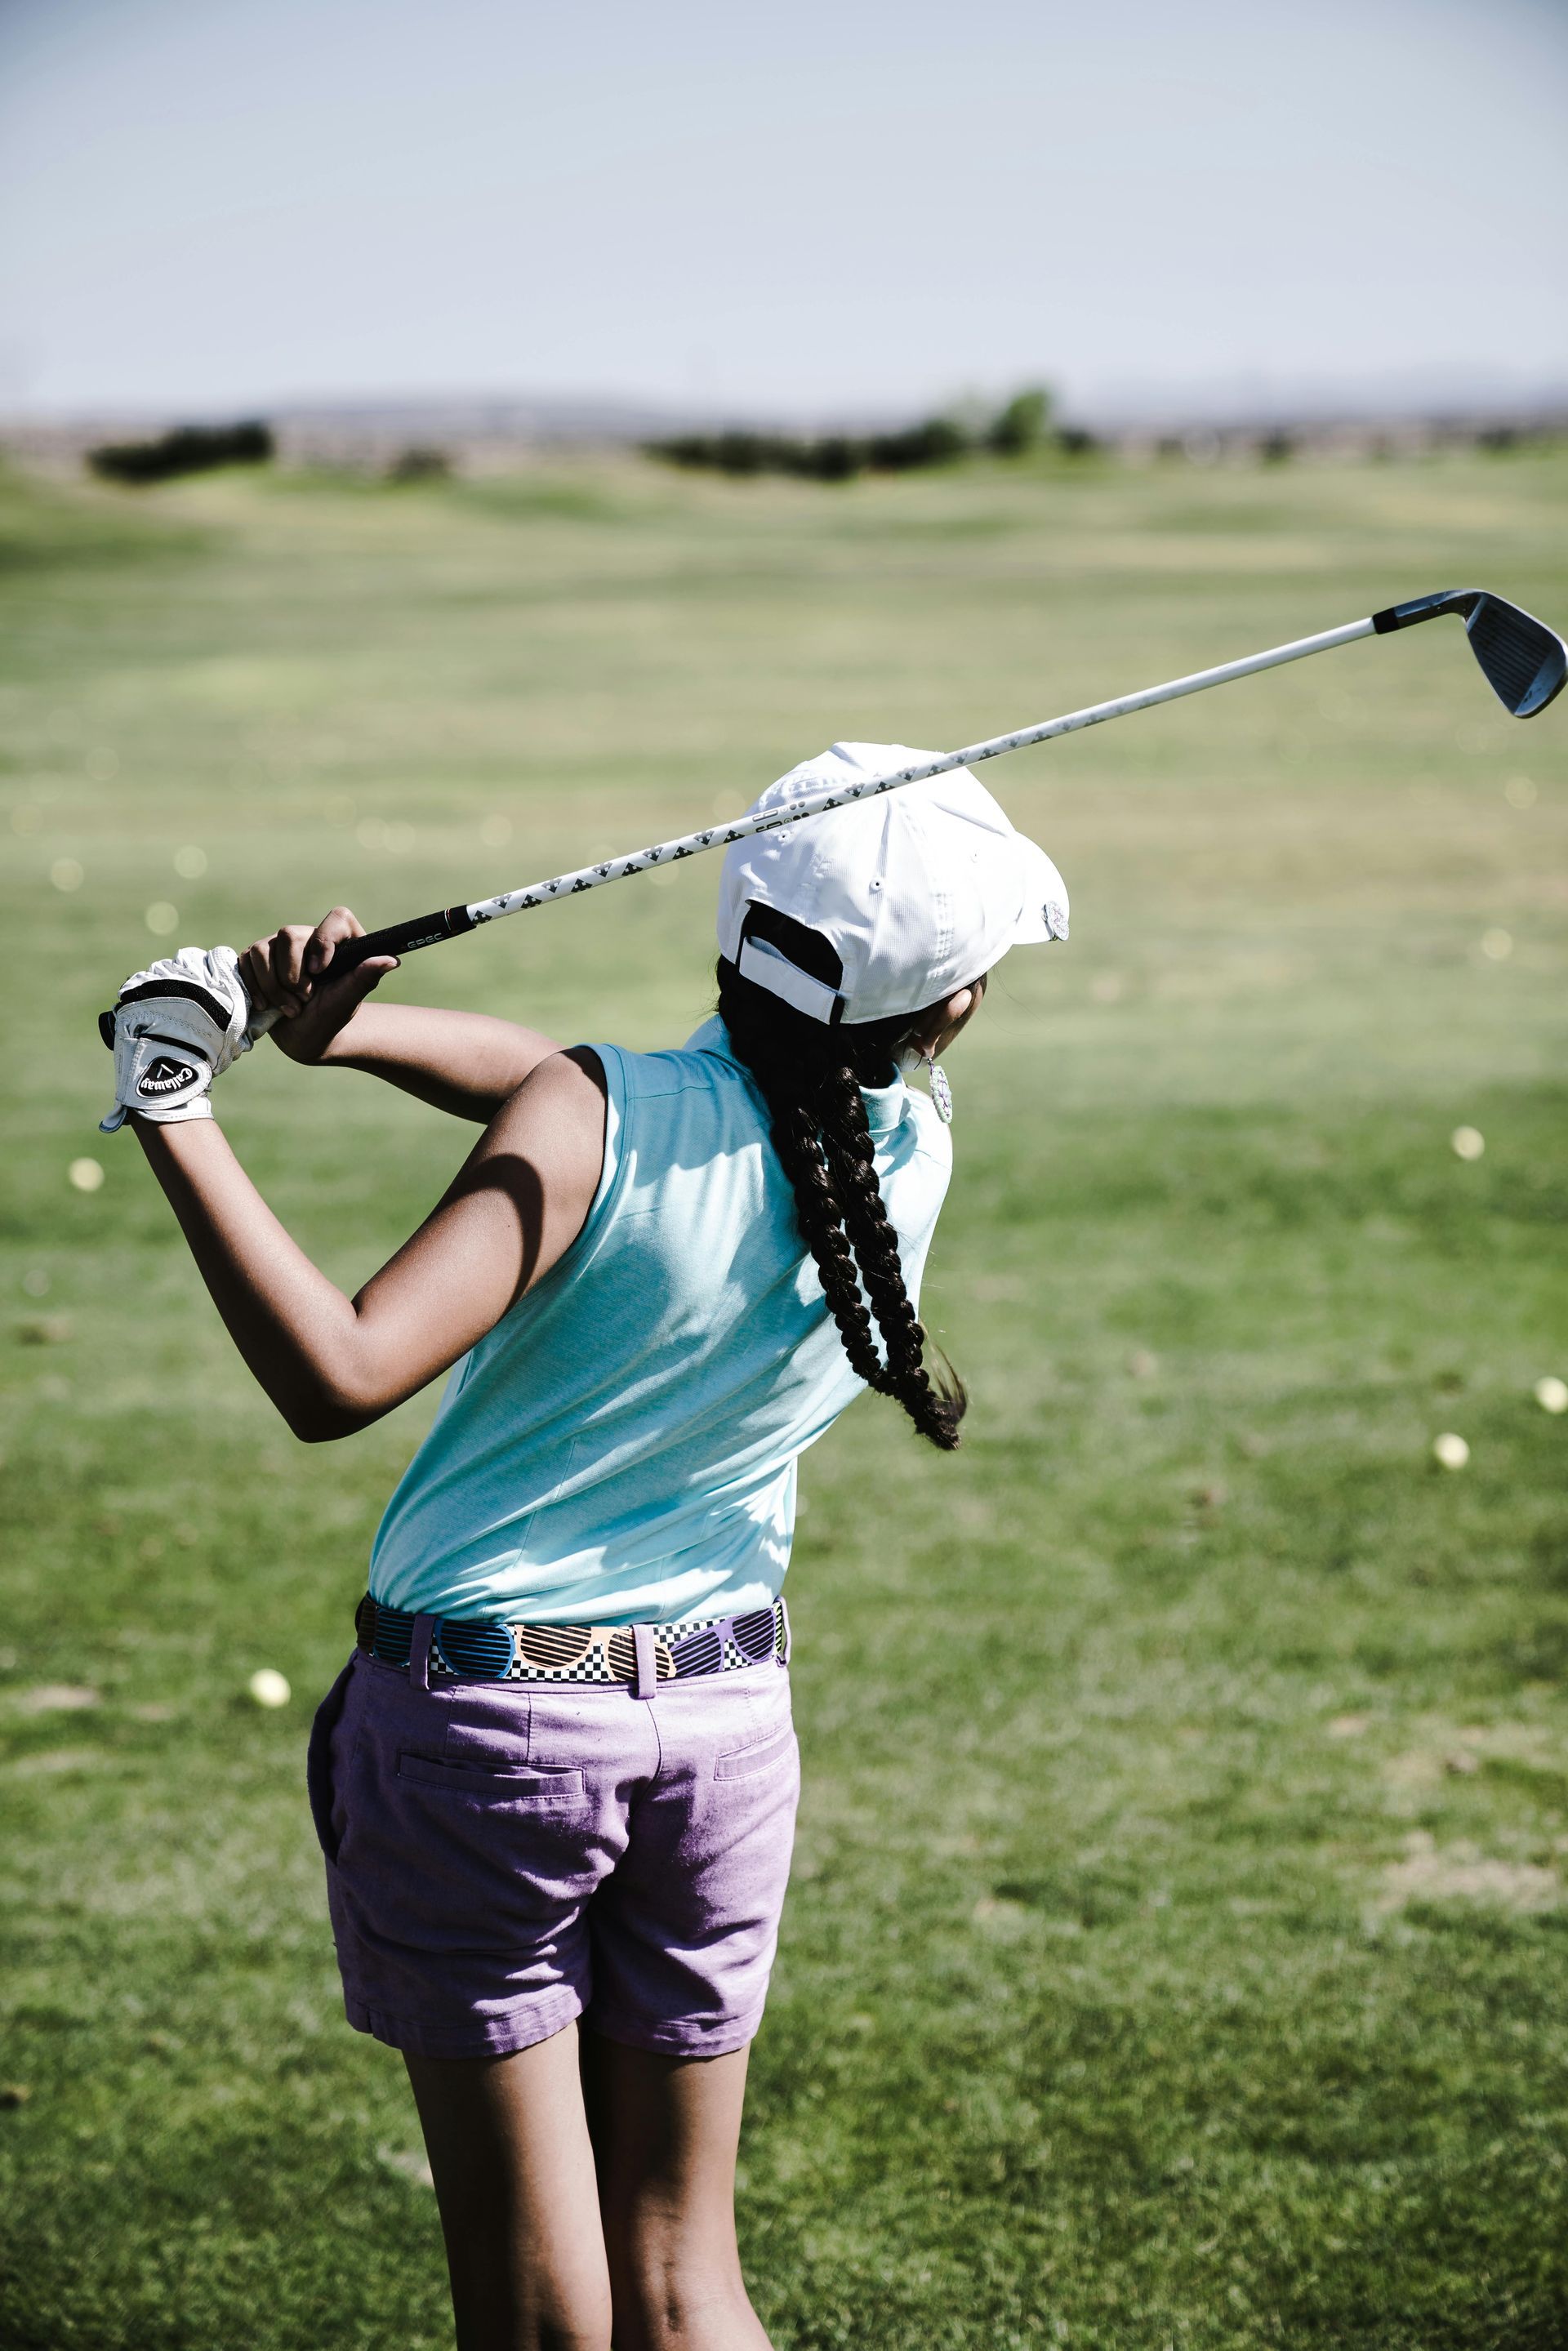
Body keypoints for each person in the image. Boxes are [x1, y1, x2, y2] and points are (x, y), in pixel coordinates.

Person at [99, 743, 1068, 2351]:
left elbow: (339, 1372)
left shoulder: (602, 1116)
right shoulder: (900, 1154)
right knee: (687, 2288)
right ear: (947, 1006)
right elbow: (572, 1087)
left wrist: (173, 1096)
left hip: (490, 1743)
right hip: (725, 1734)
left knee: (547, 2321)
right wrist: (351, 1036)